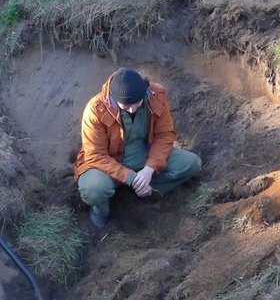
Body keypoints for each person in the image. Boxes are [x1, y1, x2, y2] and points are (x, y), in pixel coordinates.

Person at [74, 67, 202, 228]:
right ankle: (101, 213)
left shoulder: (156, 95)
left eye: (137, 104)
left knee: (192, 163)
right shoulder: (95, 109)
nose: (133, 109)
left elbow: (164, 135)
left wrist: (149, 169)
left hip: (144, 157)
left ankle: (145, 193)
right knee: (94, 190)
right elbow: (96, 156)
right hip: (107, 164)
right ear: (114, 99)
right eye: (126, 107)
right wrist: (131, 177)